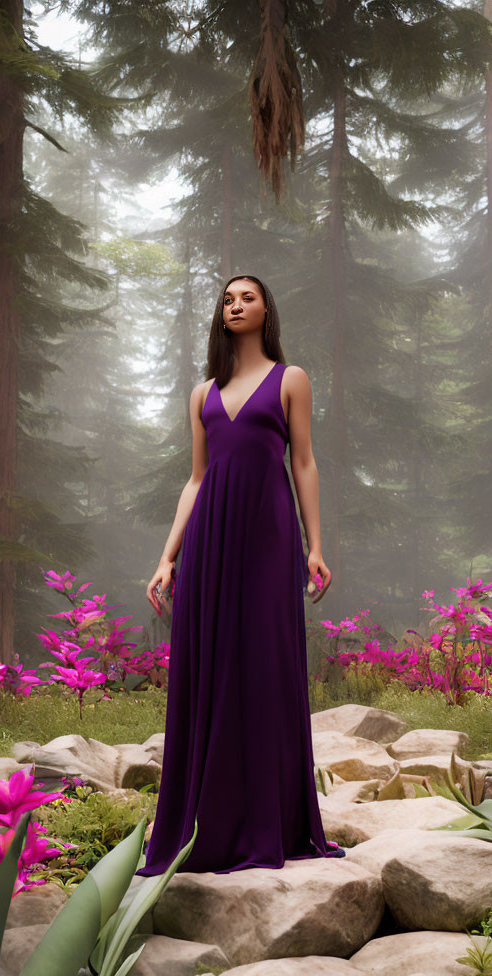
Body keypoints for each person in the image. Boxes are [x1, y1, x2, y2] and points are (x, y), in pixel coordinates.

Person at [135, 274, 345, 876]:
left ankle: (271, 822)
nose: (235, 305)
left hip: (268, 538)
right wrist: (167, 557)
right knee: (209, 672)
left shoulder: (291, 380)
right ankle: (205, 824)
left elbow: (303, 463)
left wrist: (315, 545)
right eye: (227, 299)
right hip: (208, 542)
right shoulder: (201, 393)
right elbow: (197, 479)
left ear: (266, 309)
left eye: (246, 297)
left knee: (263, 666)